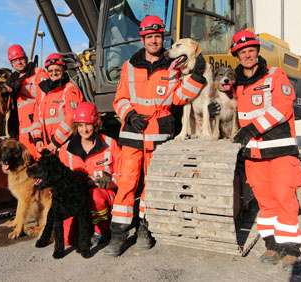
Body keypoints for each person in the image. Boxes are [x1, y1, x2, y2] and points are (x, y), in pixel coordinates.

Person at [104, 15, 207, 256]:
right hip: (132, 134)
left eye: (158, 36)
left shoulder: (173, 67)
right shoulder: (130, 66)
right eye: (149, 37)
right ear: (143, 39)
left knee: (152, 186)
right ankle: (118, 235)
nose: (154, 41)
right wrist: (129, 115)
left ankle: (144, 229)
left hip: (158, 138)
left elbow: (179, 97)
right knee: (127, 184)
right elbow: (119, 99)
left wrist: (197, 78)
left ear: (162, 38)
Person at [231, 29, 301, 270]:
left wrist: (252, 129)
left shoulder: (275, 75)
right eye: (243, 52)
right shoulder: (237, 86)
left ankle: (290, 248)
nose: (248, 55)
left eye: (251, 50)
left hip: (280, 153)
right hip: (254, 156)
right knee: (265, 202)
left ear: (257, 52)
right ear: (237, 55)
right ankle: (272, 246)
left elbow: (283, 108)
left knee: (285, 198)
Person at [59, 102, 120, 246]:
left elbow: (123, 175)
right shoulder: (66, 150)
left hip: (103, 193)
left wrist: (108, 181)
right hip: (77, 195)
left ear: (96, 123)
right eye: (80, 125)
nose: (84, 130)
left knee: (96, 196)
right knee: (68, 240)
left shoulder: (110, 144)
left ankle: (102, 230)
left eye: (88, 125)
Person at [31, 53, 83, 154]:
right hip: (48, 147)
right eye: (50, 70)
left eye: (57, 70)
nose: (53, 73)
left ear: (63, 70)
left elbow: (72, 118)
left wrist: (55, 142)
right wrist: (38, 139)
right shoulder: (43, 91)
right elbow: (36, 118)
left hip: (66, 146)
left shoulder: (69, 89)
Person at [5, 44, 47, 158]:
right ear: (11, 64)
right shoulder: (12, 81)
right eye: (15, 60)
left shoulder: (38, 73)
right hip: (22, 131)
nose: (18, 62)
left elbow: (46, 99)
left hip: (37, 129)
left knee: (40, 161)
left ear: (26, 59)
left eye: (21, 59)